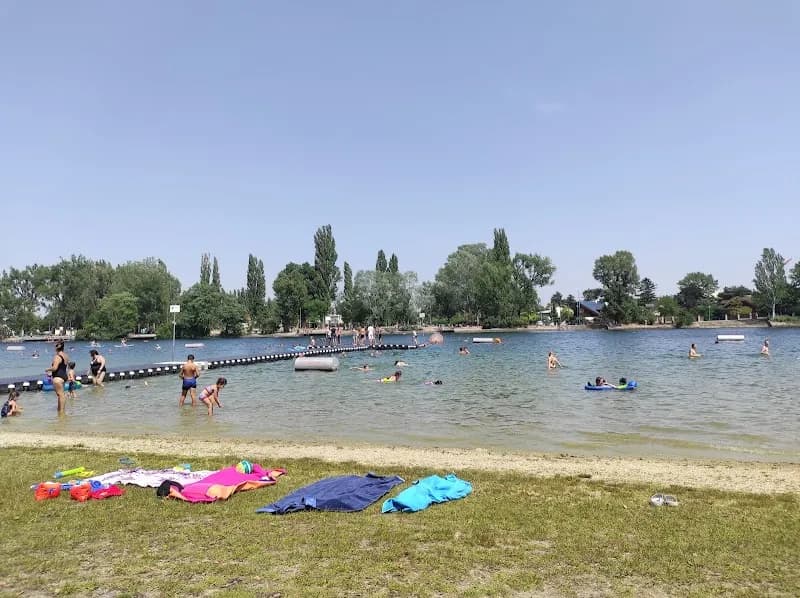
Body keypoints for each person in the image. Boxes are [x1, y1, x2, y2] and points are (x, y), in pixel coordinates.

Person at [45, 340, 69, 414]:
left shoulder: (57, 356)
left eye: (55, 345)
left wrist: (48, 369)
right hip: (64, 376)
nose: (54, 347)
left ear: (58, 346)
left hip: (58, 377)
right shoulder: (66, 356)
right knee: (61, 395)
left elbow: (55, 368)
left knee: (60, 395)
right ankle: (61, 411)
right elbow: (64, 366)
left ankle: (61, 412)